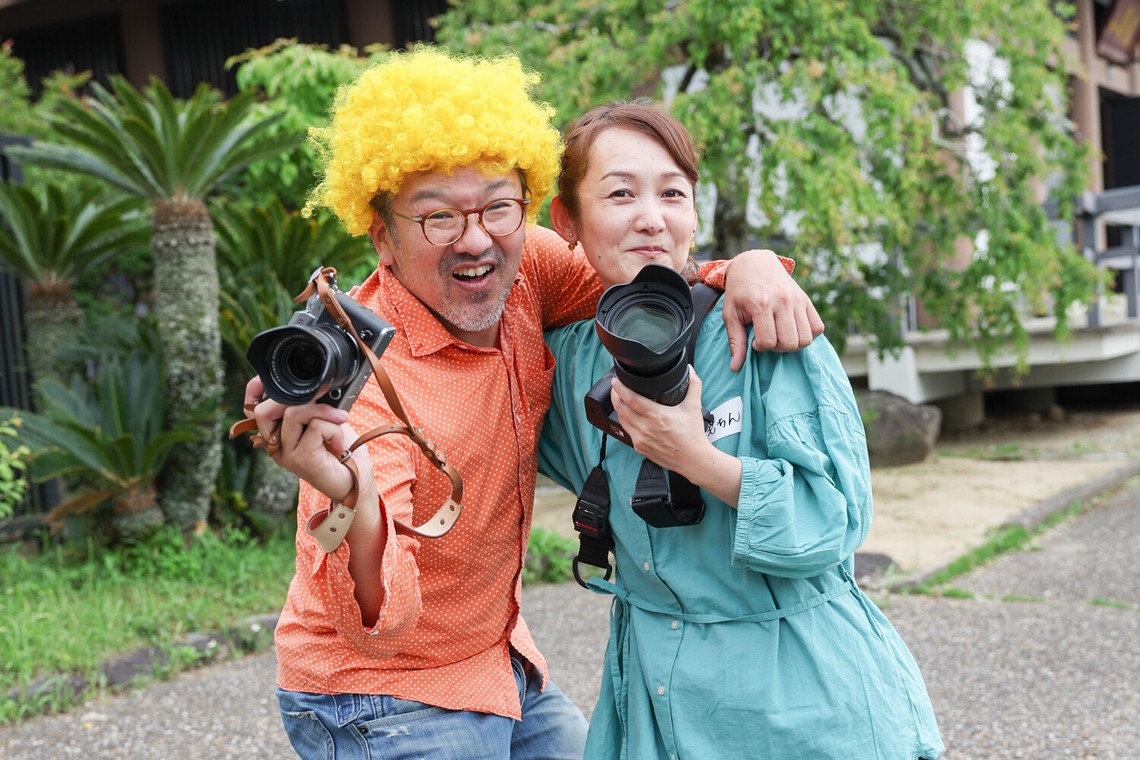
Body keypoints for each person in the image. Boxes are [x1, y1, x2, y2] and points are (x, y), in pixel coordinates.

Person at [241, 48, 824, 759]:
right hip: (376, 692)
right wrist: (345, 489)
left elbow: (644, 273)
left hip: (498, 664)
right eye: (437, 219)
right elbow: (378, 626)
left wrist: (753, 266)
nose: (477, 238)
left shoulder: (530, 269)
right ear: (380, 236)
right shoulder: (360, 388)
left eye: (496, 206)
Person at [538, 101, 946, 759]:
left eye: (673, 192)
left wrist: (696, 457)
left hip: (805, 707)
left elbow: (834, 519)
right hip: (657, 708)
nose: (651, 216)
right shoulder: (567, 362)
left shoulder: (764, 326)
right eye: (619, 194)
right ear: (569, 221)